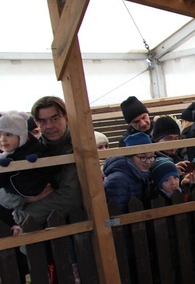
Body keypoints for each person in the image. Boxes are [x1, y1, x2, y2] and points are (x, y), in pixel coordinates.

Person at [0, 96, 83, 227]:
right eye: (42, 121)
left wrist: (24, 215)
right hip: (37, 231)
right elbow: (4, 188)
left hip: (74, 227)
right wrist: (25, 198)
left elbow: (70, 197)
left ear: (65, 118)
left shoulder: (79, 148)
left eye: (55, 119)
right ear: (37, 123)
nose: (49, 126)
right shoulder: (28, 150)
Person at [103, 132, 155, 213]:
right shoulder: (119, 180)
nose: (148, 161)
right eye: (143, 157)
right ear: (130, 157)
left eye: (151, 156)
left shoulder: (143, 174)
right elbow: (115, 216)